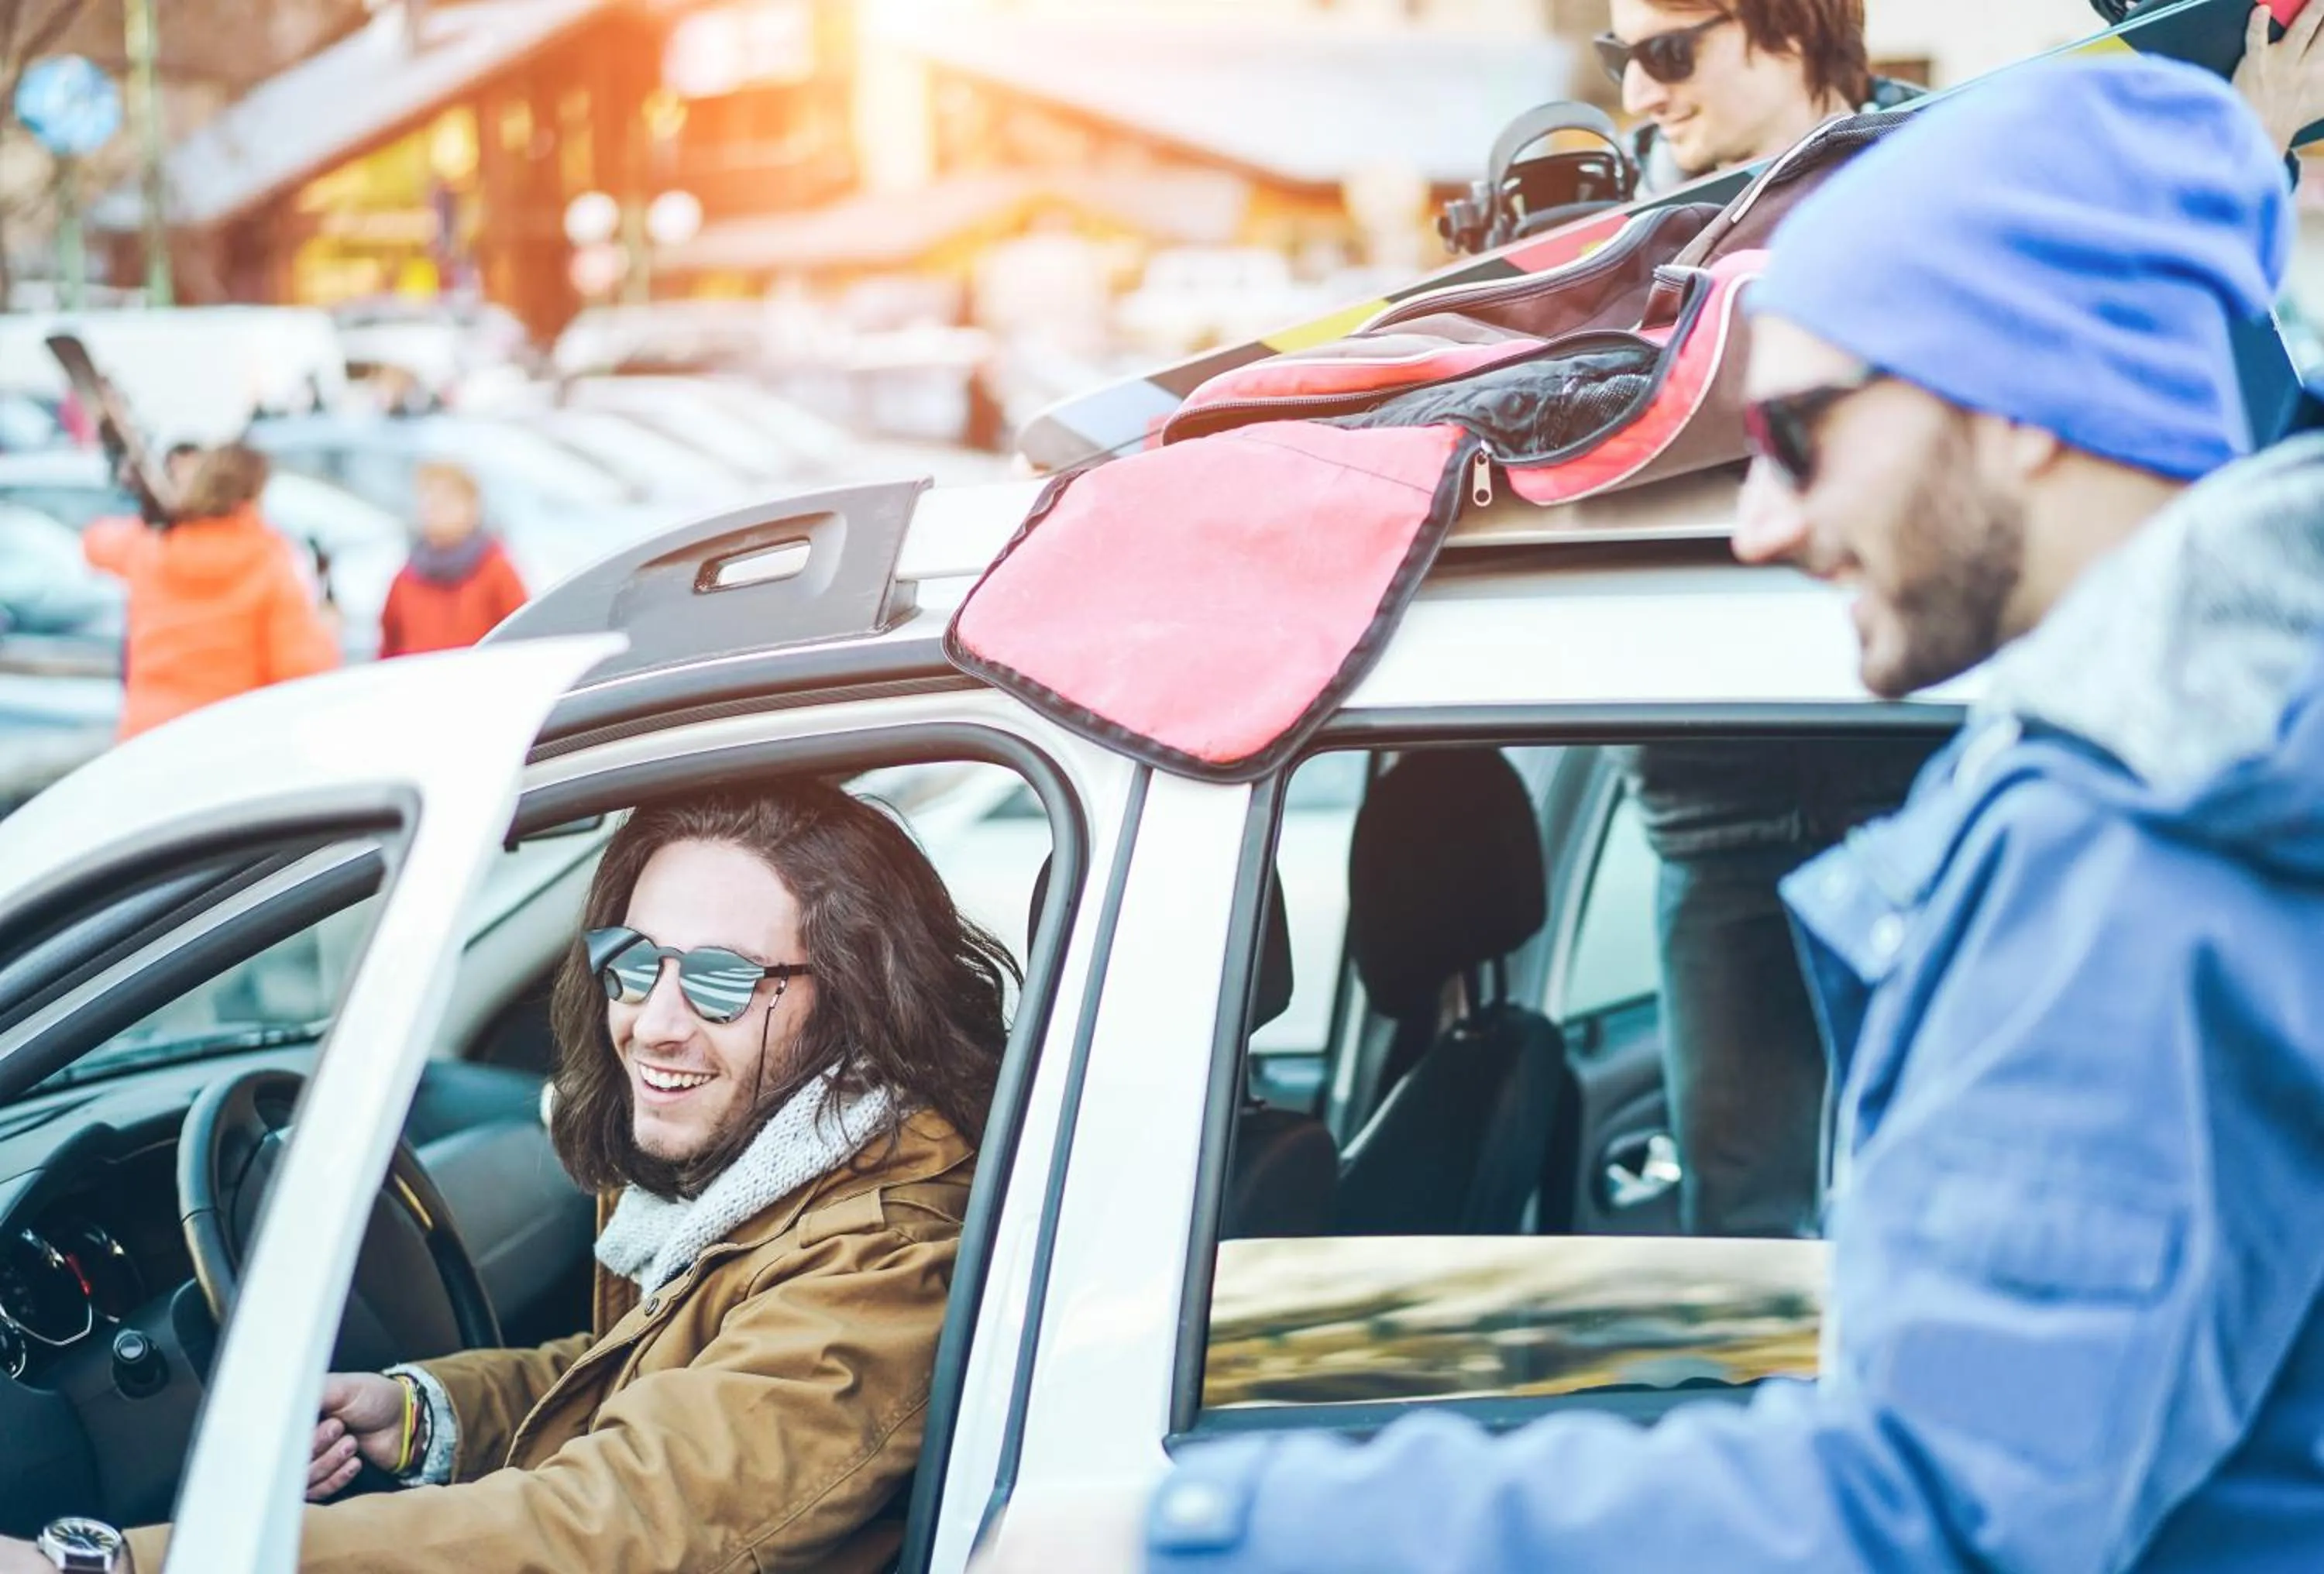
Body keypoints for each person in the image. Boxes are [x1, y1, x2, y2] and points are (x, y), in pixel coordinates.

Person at [993, 53, 2324, 1574]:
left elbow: (1923, 1512)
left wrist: (1203, 1533)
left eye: (1804, 434)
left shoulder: (2137, 862)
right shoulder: (2221, 767)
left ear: (2021, 398)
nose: (1762, 523)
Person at [0, 780, 1016, 1573]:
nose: (652, 1022)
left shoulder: (887, 1256)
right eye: (633, 961)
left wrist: (115, 1563)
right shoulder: (754, 1171)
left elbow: (620, 1526)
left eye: (718, 979)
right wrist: (421, 1412)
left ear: (850, 995)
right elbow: (652, 1375)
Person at [80, 442, 337, 741]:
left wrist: (158, 516)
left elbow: (93, 543)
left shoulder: (150, 546)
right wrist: (327, 633)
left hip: (147, 735)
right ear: (253, 496)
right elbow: (299, 669)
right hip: (225, 734)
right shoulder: (270, 563)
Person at [1600, 0, 1922, 199]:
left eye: (1666, 53)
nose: (1636, 99)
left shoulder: (1951, 174)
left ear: (1790, 26)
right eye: (1617, 55)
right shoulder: (1612, 197)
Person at [376, 461, 528, 657]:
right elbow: (388, 652)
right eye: (428, 500)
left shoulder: (496, 571)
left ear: (471, 507)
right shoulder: (405, 579)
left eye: (446, 501)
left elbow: (524, 640)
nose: (434, 510)